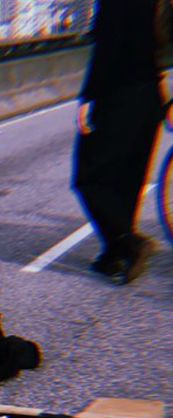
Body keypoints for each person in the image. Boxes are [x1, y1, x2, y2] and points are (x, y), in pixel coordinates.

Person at [71, 0, 162, 284]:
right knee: (128, 174)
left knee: (88, 176)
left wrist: (88, 97)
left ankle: (127, 243)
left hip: (118, 95)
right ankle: (113, 254)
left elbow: (107, 48)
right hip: (150, 92)